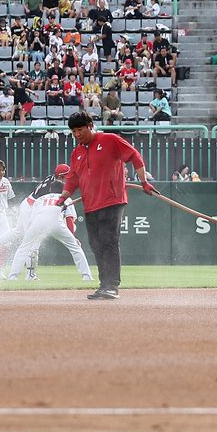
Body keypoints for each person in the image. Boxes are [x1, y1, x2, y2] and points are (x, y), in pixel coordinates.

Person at [58, 111, 158, 300]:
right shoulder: (76, 152)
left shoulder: (111, 140)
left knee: (108, 241)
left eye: (80, 129)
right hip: (90, 204)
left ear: (90, 125)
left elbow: (135, 156)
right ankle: (104, 285)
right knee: (95, 244)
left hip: (112, 200)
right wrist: (63, 197)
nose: (77, 134)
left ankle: (112, 286)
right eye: (73, 131)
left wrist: (144, 181)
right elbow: (72, 179)